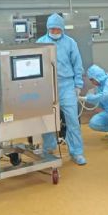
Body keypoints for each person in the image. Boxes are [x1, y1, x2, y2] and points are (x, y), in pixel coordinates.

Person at [37, 13, 86, 165]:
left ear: (62, 29)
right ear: (48, 29)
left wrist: (78, 85)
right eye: (52, 29)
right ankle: (48, 148)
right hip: (47, 86)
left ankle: (76, 152)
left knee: (72, 120)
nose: (55, 32)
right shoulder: (40, 43)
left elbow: (77, 64)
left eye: (58, 29)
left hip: (67, 85)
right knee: (47, 119)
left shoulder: (70, 43)